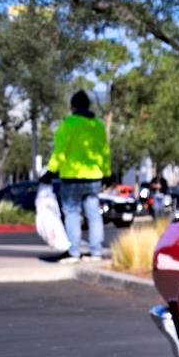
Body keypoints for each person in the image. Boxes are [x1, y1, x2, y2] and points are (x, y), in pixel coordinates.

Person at [45, 90, 111, 260]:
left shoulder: (69, 124)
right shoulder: (98, 125)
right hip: (94, 177)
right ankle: (96, 252)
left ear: (72, 106)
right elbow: (104, 152)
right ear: (88, 105)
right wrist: (107, 173)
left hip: (72, 177)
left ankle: (74, 251)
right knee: (93, 214)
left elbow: (61, 150)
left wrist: (51, 170)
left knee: (72, 213)